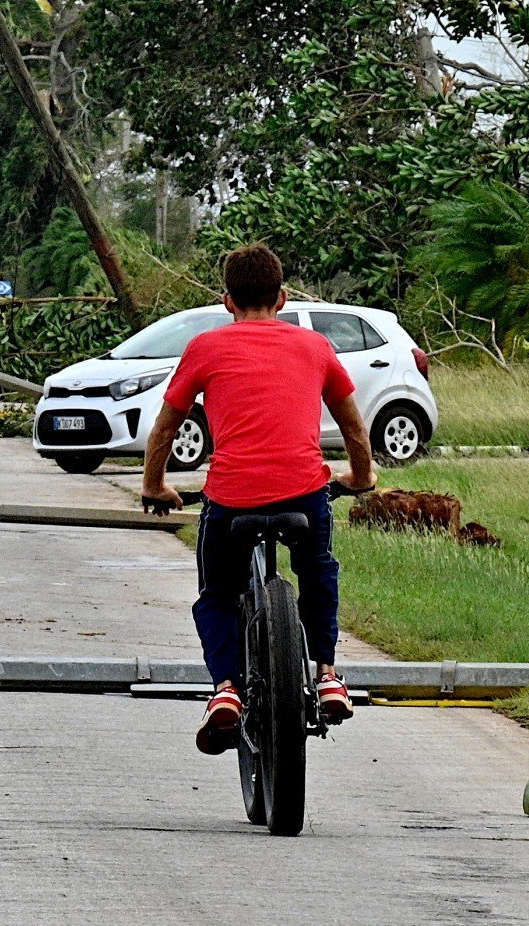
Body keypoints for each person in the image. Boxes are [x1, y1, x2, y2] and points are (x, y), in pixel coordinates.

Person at [140, 244, 375, 754]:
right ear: (283, 298)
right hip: (305, 491)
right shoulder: (314, 347)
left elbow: (165, 427)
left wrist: (154, 486)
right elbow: (353, 424)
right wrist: (360, 477)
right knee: (317, 571)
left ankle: (225, 689)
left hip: (231, 498)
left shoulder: (205, 347)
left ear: (227, 301)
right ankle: (328, 673)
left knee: (218, 594)